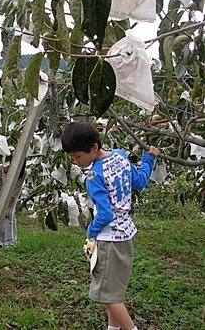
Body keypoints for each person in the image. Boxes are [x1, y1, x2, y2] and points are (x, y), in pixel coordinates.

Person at [61, 121, 159, 330]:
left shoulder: (94, 176)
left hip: (109, 239)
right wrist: (148, 158)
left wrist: (91, 231)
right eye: (72, 158)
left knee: (107, 296)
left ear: (94, 148)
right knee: (113, 291)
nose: (77, 162)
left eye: (78, 157)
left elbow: (105, 214)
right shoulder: (120, 156)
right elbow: (140, 182)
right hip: (126, 235)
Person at [0, 157, 26, 248]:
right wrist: (0, 205)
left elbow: (15, 191)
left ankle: (10, 242)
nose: (5, 169)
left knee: (9, 214)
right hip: (1, 194)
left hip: (12, 195)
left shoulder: (21, 173)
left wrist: (8, 207)